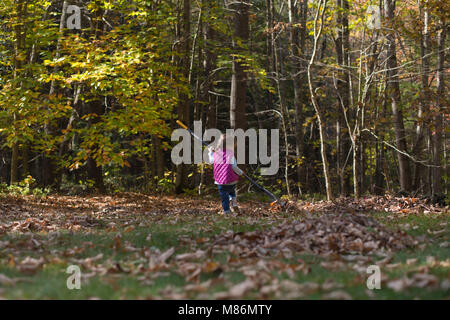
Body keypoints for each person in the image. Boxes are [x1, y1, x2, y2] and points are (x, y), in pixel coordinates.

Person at [208, 134, 243, 215]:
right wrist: (240, 172)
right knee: (231, 191)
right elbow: (234, 167)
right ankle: (234, 202)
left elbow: (211, 161)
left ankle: (227, 211)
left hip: (220, 181)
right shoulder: (231, 154)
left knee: (224, 197)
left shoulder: (215, 153)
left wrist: (210, 152)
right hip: (231, 179)